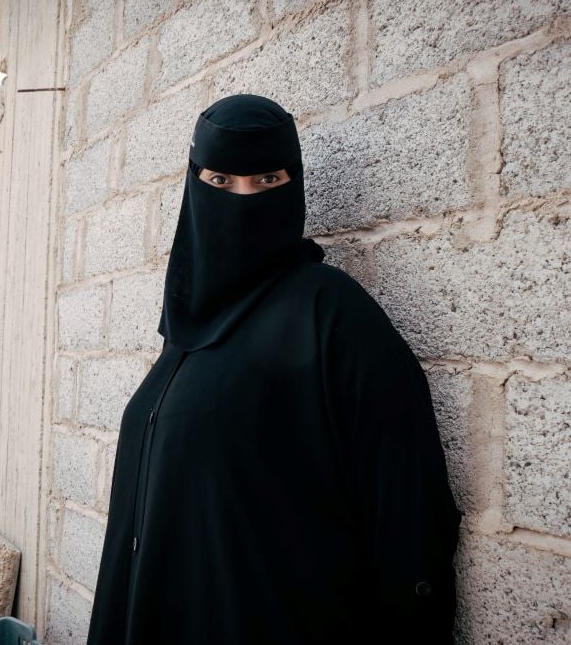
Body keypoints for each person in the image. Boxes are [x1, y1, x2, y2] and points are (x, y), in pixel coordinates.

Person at [86, 94, 462, 644]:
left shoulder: (328, 312)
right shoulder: (182, 336)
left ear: (296, 183)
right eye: (220, 181)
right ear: (194, 186)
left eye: (266, 181)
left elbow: (410, 511)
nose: (242, 200)